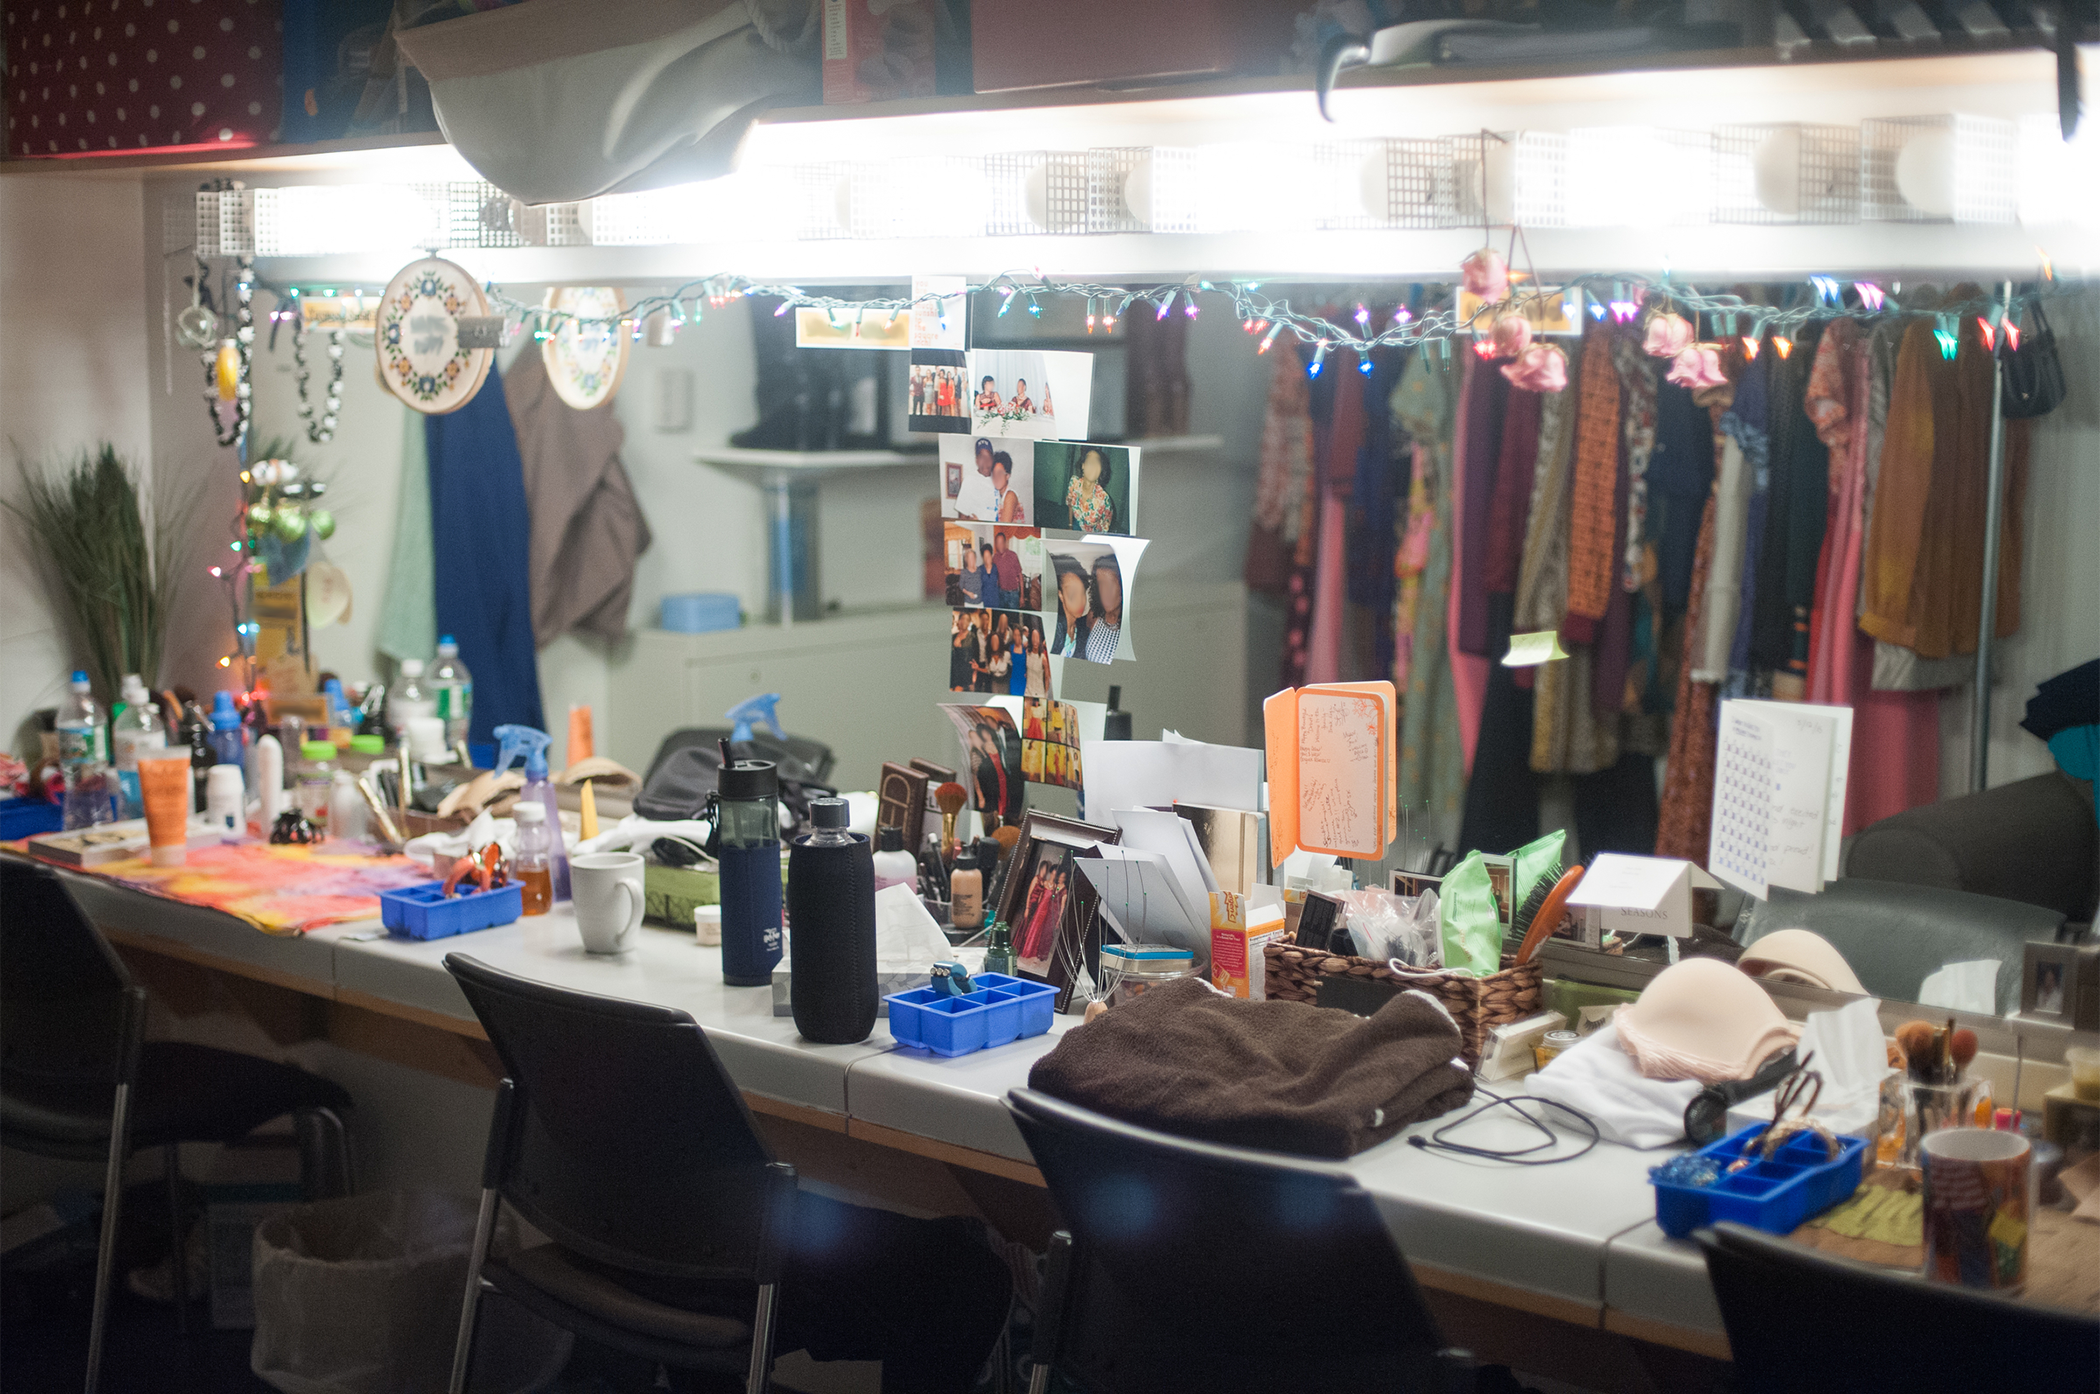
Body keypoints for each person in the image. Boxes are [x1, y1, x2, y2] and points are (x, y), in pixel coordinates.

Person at [1063, 447, 1115, 533]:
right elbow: (1070, 504)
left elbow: (1105, 529)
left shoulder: (1104, 500)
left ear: (1101, 470)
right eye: (1090, 462)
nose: (1093, 467)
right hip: (1076, 524)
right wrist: (1070, 525)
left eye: (1097, 464)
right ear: (1083, 465)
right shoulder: (1074, 482)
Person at [1083, 553, 1123, 663]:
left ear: (1122, 586)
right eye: (1101, 584)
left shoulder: (1130, 628)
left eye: (1110, 584)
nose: (1104, 592)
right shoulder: (1094, 615)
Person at [1050, 555, 1091, 658]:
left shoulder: (1082, 631)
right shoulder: (1054, 632)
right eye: (1073, 593)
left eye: (1082, 592)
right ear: (1060, 595)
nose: (1080, 600)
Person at [953, 438, 999, 519]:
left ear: (992, 459)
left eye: (988, 456)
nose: (985, 461)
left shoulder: (999, 479)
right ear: (977, 460)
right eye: (982, 457)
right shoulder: (969, 480)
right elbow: (962, 515)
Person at [992, 531, 1024, 612]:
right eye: (997, 543)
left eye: (1001, 543)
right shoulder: (995, 558)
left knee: (1013, 617)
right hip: (1001, 593)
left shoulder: (1013, 555)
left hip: (1013, 594)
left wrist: (1022, 596)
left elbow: (1020, 576)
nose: (1000, 545)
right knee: (1002, 615)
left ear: (1005, 543)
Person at [990, 452, 1025, 524]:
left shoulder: (1010, 496)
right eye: (994, 473)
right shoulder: (997, 496)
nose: (996, 477)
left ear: (1007, 475)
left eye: (1000, 473)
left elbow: (1003, 526)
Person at [948, 614, 974, 692]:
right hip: (952, 674)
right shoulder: (953, 636)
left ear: (969, 622)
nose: (964, 621)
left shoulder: (972, 637)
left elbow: (974, 658)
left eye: (967, 619)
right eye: (962, 619)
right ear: (959, 621)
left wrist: (972, 678)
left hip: (964, 675)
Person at [1025, 626, 1051, 697]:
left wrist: (1046, 694)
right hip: (1028, 692)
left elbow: (1046, 677)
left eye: (1037, 638)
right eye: (1033, 637)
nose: (1035, 640)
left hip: (1039, 693)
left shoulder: (1043, 658)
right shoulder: (1027, 654)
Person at [957, 541, 984, 607]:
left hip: (980, 602)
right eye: (970, 558)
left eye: (973, 557)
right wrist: (968, 593)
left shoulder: (980, 570)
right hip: (969, 603)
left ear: (975, 558)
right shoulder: (964, 572)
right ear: (967, 559)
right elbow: (961, 586)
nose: (972, 559)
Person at [1007, 618, 1028, 696]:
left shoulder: (1025, 648)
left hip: (1023, 679)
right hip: (1013, 678)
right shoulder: (1010, 648)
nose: (1017, 637)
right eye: (1015, 635)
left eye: (1018, 635)